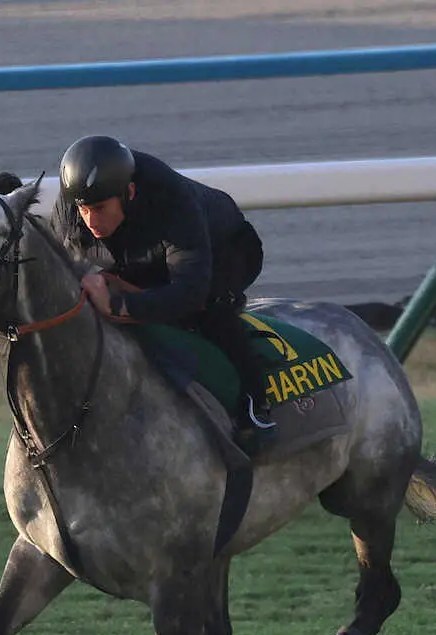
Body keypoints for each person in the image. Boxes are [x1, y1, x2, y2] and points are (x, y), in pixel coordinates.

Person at [48, 134, 276, 450]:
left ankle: (255, 407)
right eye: (83, 209)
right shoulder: (71, 204)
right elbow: (64, 264)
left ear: (129, 192)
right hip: (143, 254)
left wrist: (119, 304)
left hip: (226, 248)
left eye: (100, 208)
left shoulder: (171, 198)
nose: (90, 221)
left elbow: (188, 293)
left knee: (205, 312)